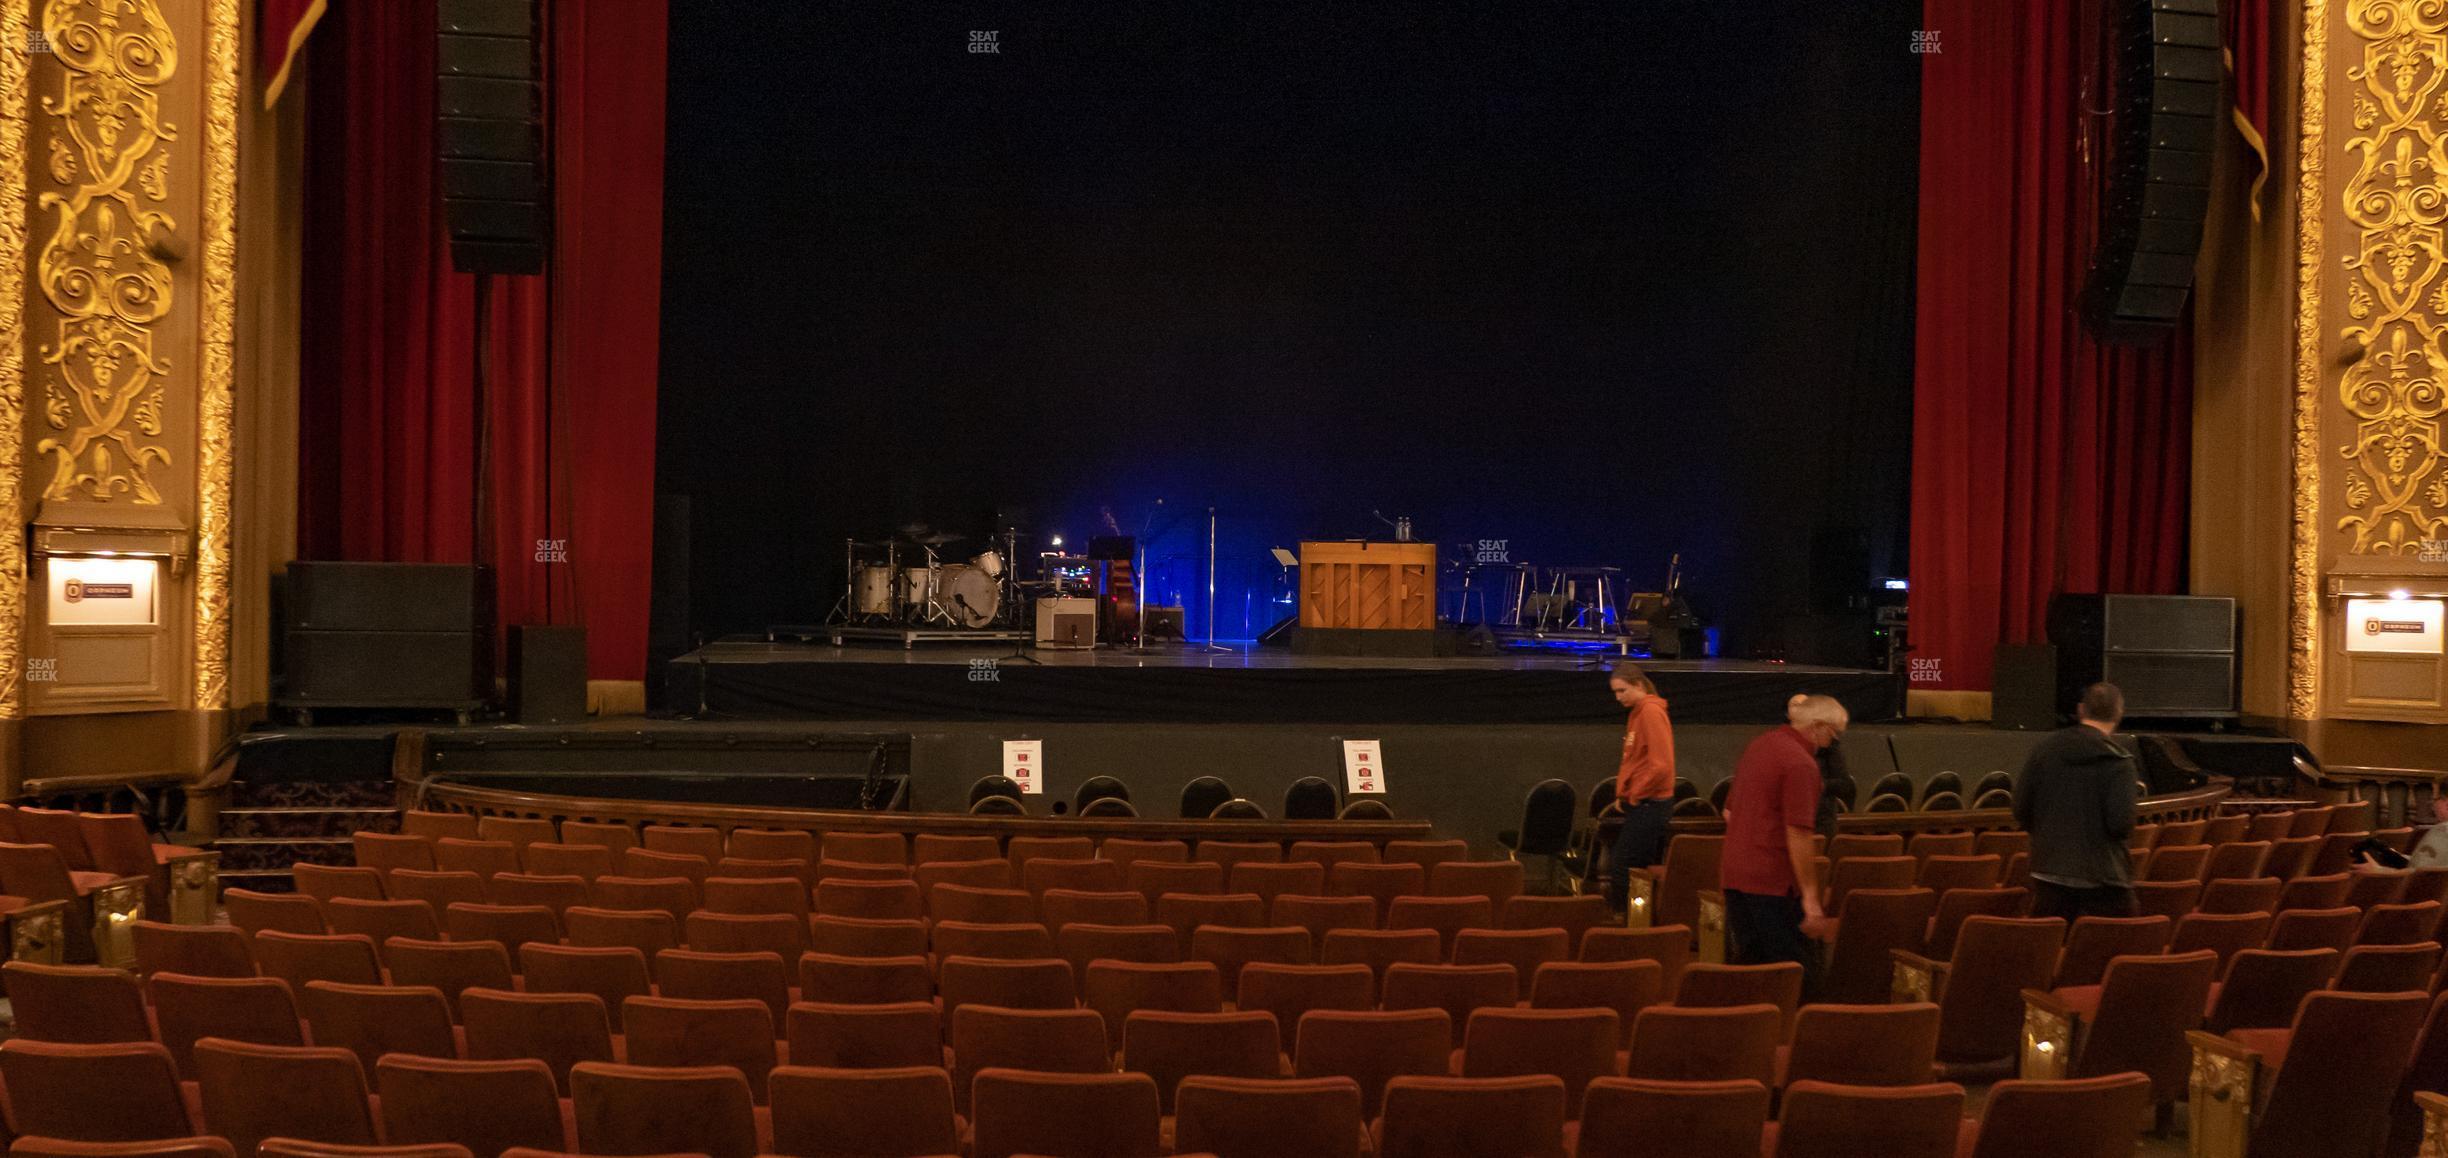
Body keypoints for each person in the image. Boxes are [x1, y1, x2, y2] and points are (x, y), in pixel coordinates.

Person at [1720, 694, 1847, 975]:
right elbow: (1798, 835)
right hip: (1772, 880)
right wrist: (1811, 900)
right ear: (1818, 726)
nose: (1833, 741)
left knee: (1751, 969)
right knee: (1793, 974)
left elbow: (1729, 810)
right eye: (1834, 733)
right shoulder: (1800, 764)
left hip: (1736, 873)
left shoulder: (1759, 745)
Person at [2014, 682, 2140, 920]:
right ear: (2119, 714)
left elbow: (2020, 809)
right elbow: (2120, 824)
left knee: (2049, 950)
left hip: (2048, 872)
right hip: (2104, 877)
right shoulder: (2119, 762)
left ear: (2081, 710)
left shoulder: (2044, 750)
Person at [1605, 666, 1676, 911]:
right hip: (1644, 801)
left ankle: (1627, 919)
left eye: (1622, 690)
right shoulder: (1638, 712)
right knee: (1631, 864)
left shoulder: (1650, 713)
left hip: (1650, 803)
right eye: (1615, 692)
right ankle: (1636, 919)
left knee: (1623, 864)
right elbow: (1636, 759)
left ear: (1639, 685)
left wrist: (1635, 794)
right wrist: (1623, 793)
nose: (1618, 697)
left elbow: (1661, 765)